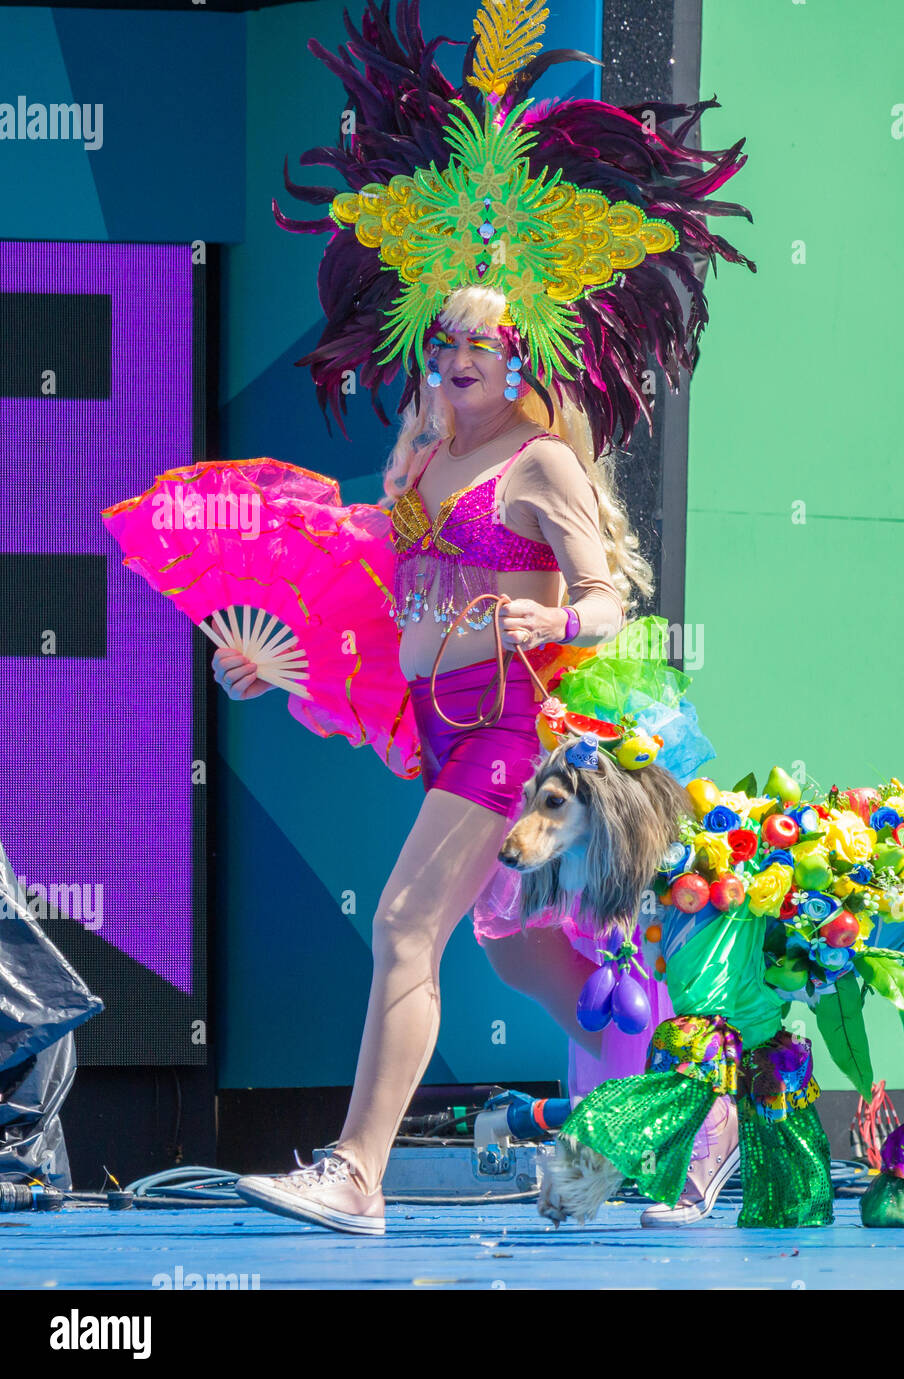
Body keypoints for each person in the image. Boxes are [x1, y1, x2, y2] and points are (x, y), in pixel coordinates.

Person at [216, 0, 753, 1235]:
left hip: (507, 727)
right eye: (443, 334)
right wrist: (276, 669)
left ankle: (356, 1171)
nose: (456, 352)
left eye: (480, 338)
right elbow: (381, 605)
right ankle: (694, 1103)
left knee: (406, 918)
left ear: (518, 356)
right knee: (515, 954)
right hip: (433, 715)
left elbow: (611, 591)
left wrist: (541, 616)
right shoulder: (420, 462)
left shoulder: (536, 462)